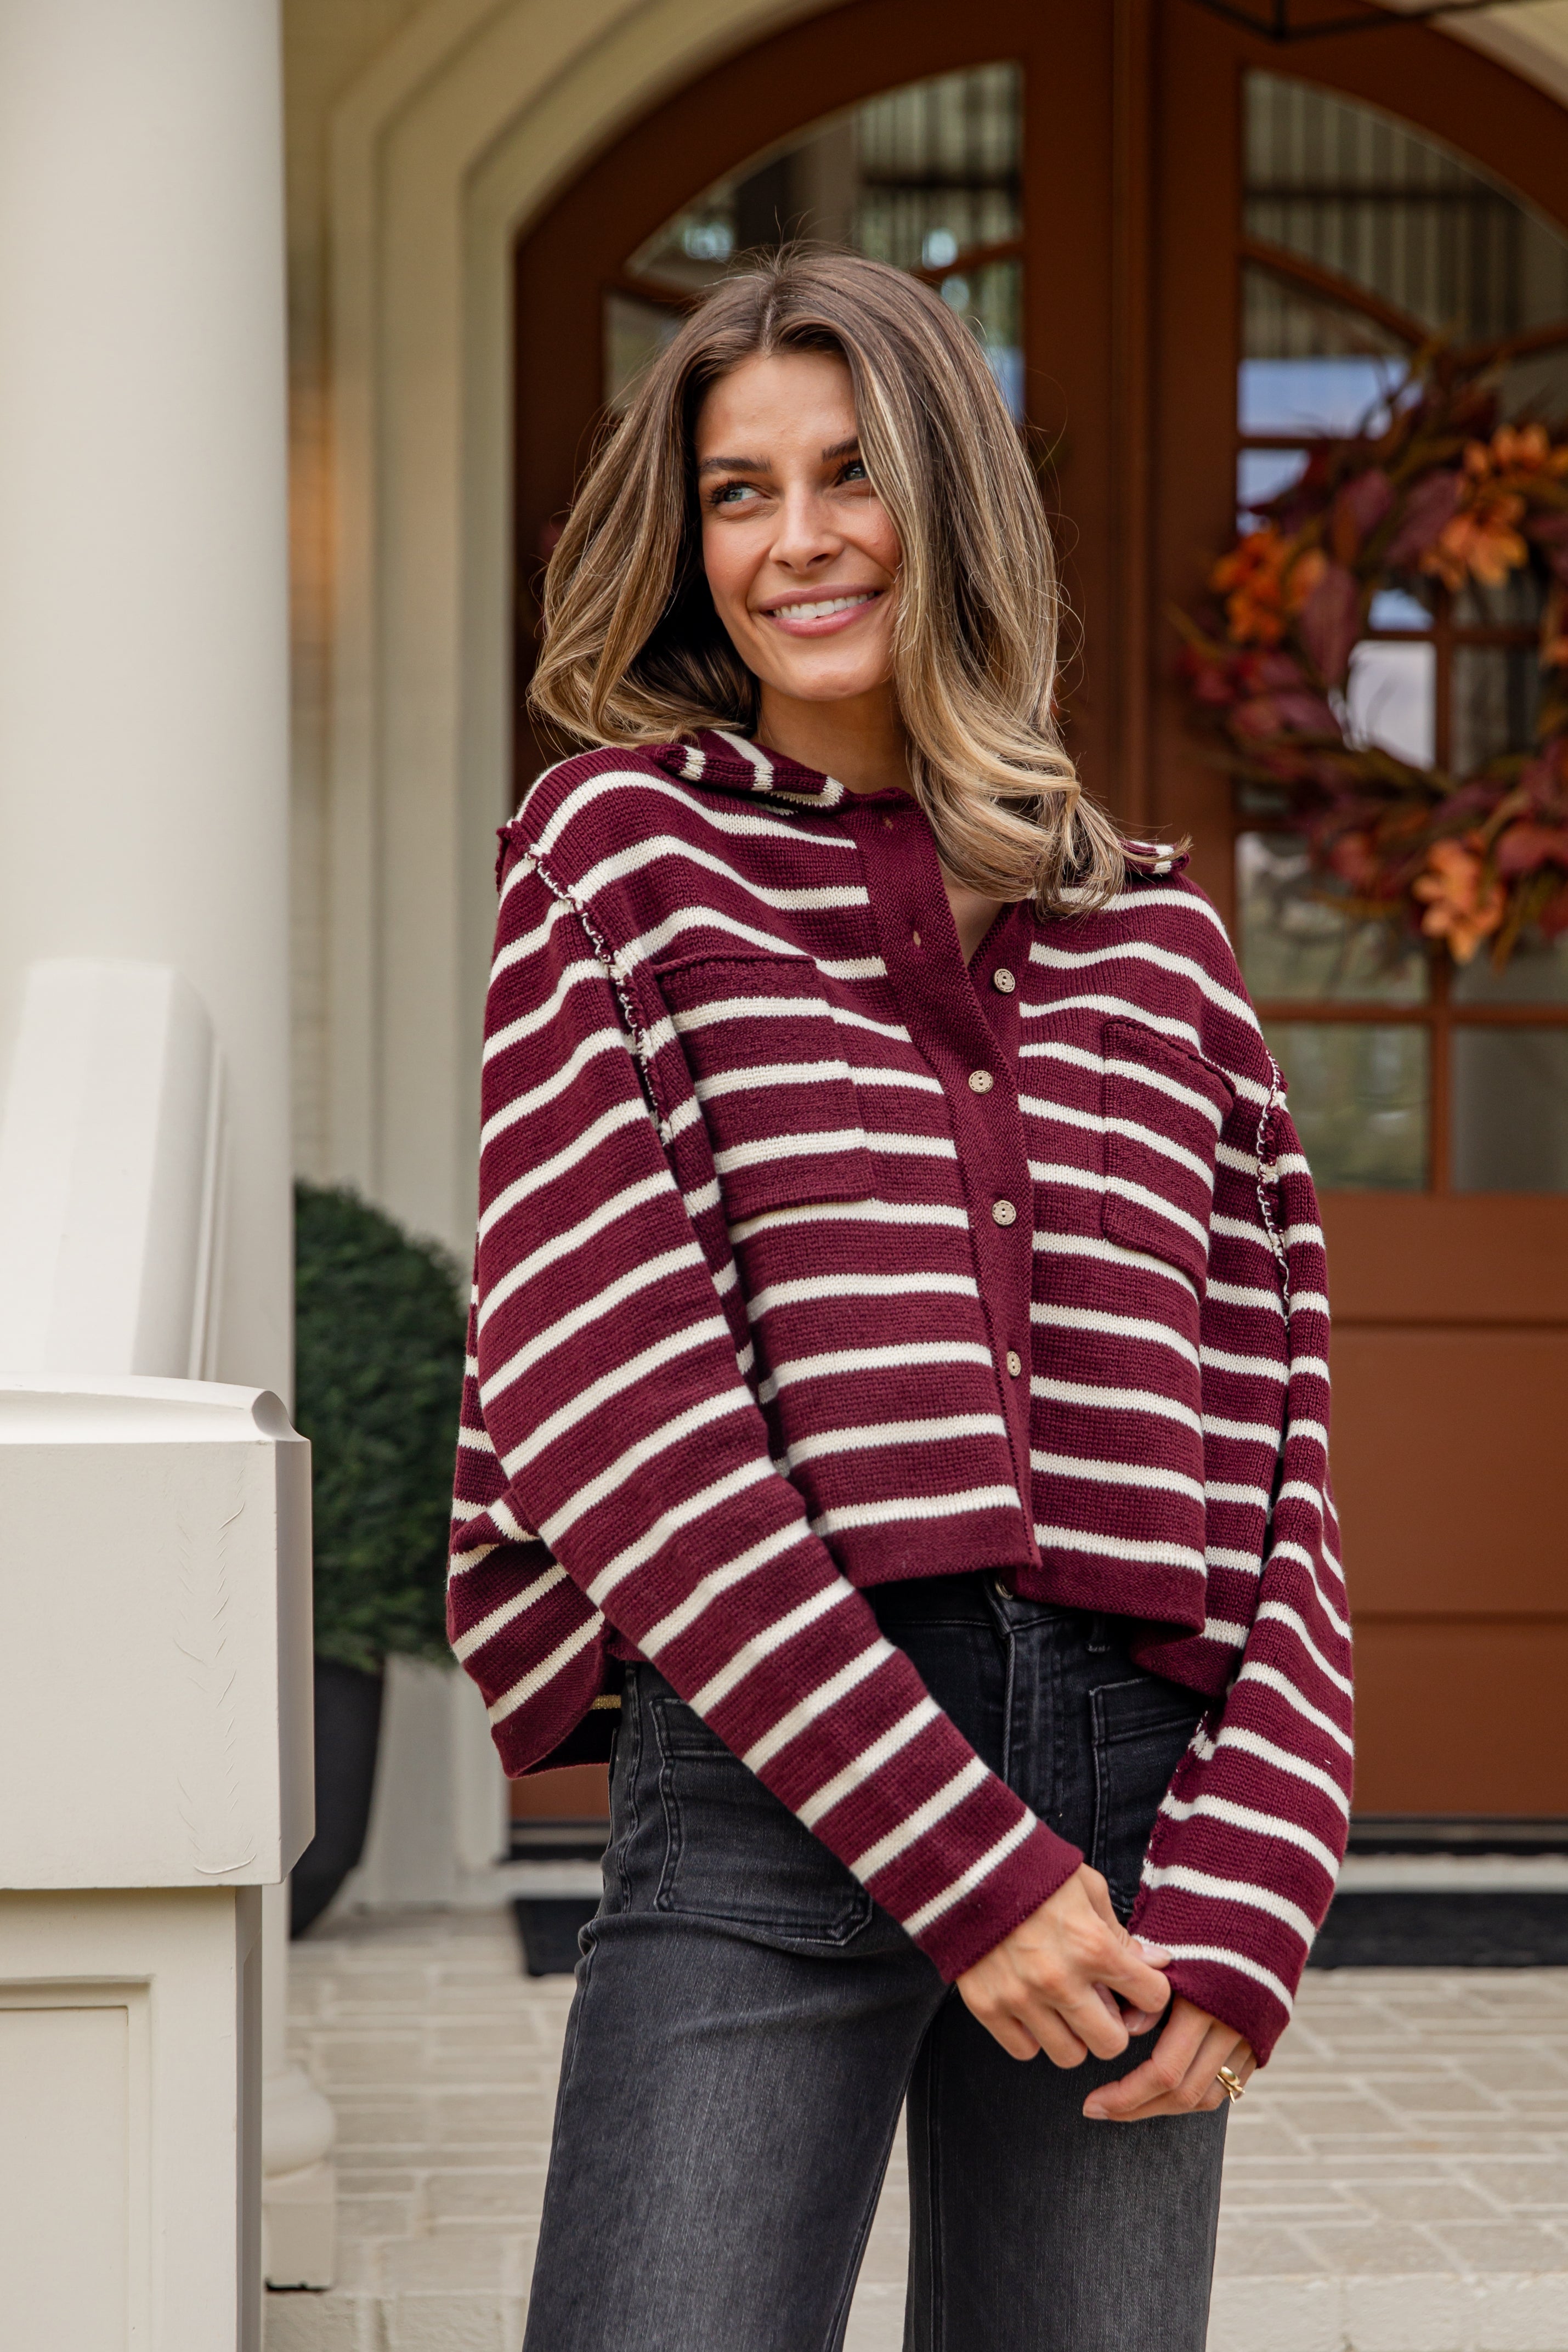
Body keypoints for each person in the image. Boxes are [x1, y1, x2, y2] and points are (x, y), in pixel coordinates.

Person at [449, 250, 1350, 2352]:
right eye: (737, 491)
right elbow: (607, 1404)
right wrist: (969, 1865)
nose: (797, 541)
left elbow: (1286, 1445)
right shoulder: (616, 864)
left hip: (1138, 1803)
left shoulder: (1155, 948)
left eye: (849, 472)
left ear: (952, 495)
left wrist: (1255, 1880)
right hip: (774, 1776)